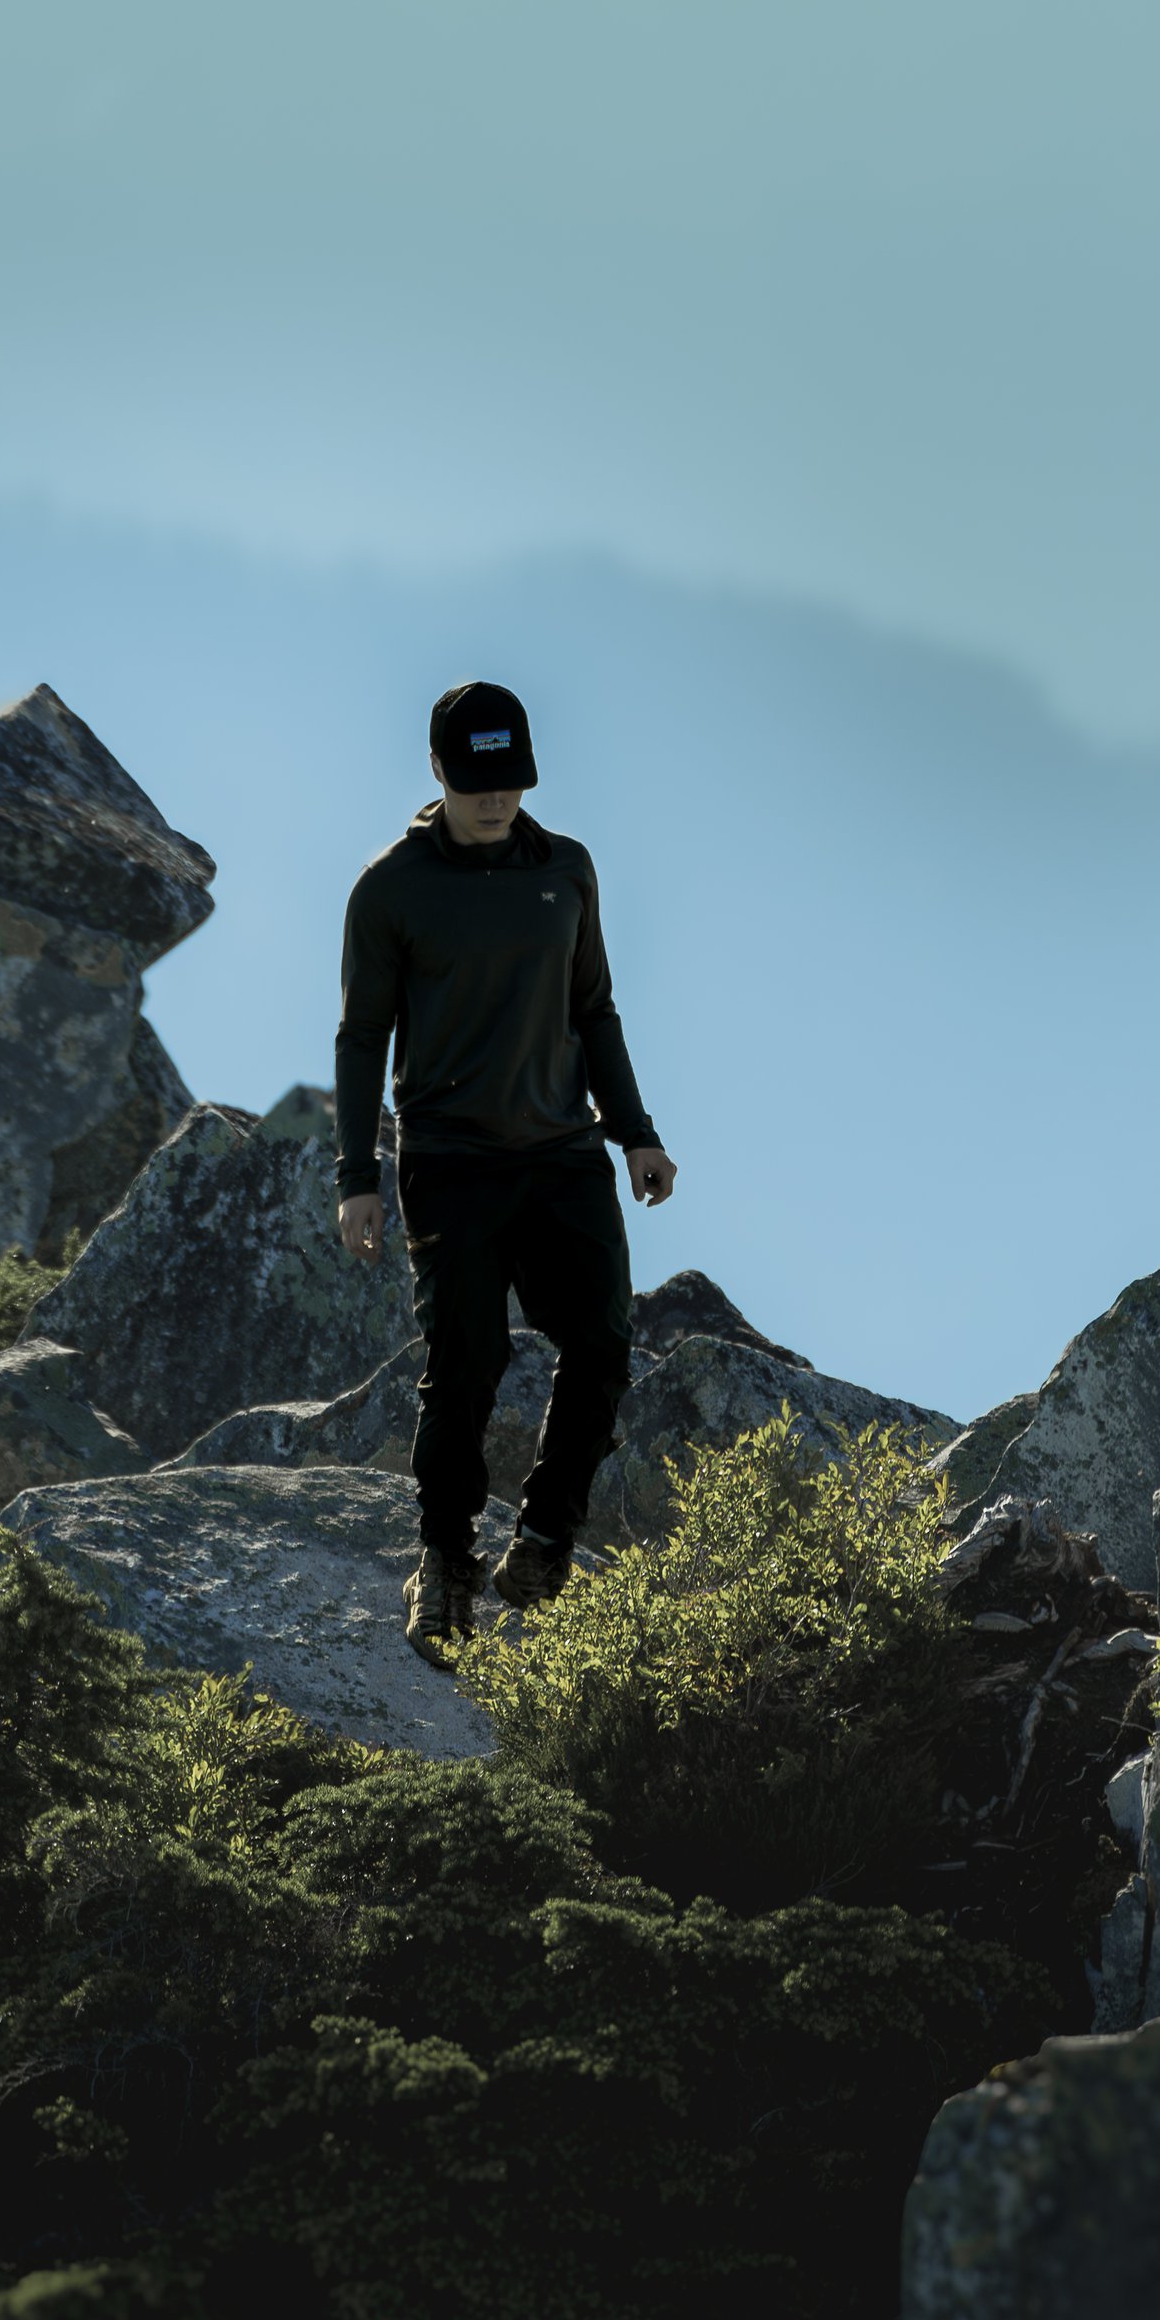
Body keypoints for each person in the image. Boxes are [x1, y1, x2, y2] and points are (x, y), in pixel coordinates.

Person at [334, 679, 677, 1664]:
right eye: (478, 783)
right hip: (451, 1166)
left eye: (512, 782)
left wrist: (635, 1133)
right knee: (466, 1372)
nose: (496, 801)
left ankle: (541, 1544)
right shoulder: (391, 888)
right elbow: (362, 1037)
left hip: (564, 1158)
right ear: (440, 772)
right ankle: (443, 1568)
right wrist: (357, 1175)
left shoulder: (565, 870)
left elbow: (594, 1010)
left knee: (603, 1348)